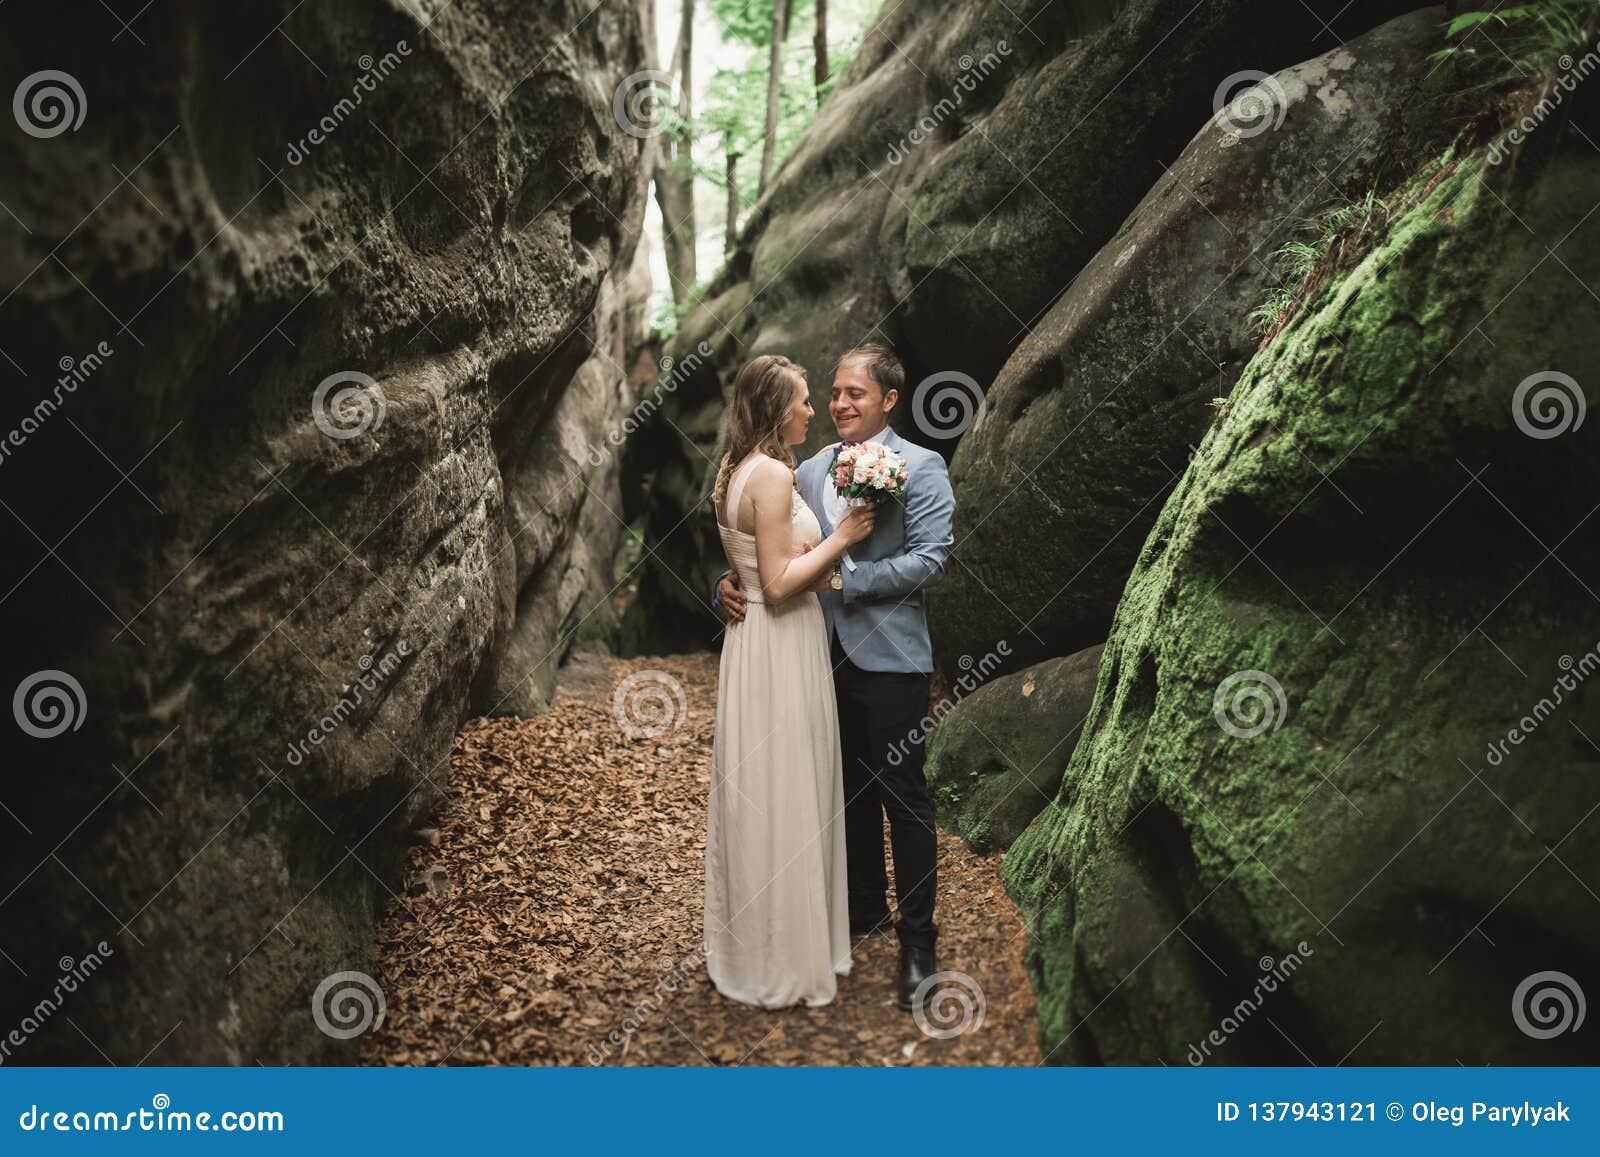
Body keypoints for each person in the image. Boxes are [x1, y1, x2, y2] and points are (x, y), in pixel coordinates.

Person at [715, 343, 955, 1012]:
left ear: (888, 399)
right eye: (835, 391)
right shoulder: (806, 467)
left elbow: (932, 558)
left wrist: (850, 578)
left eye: (856, 392)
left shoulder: (923, 467)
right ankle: (859, 910)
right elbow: (768, 550)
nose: (841, 403)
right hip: (814, 657)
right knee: (838, 790)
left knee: (903, 796)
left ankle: (918, 940)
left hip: (891, 658)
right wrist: (730, 584)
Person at [704, 354, 877, 1008]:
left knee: (766, 790)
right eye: (804, 400)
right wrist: (846, 538)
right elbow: (775, 587)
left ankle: (757, 941)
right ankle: (785, 955)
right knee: (786, 787)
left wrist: (739, 580)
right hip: (780, 641)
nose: (814, 410)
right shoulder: (774, 475)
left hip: (754, 649)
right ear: (778, 408)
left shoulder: (734, 468)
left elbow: (751, 569)